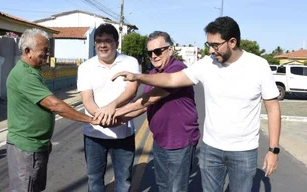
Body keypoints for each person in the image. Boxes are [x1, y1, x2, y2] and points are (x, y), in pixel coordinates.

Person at [112, 16, 281, 192]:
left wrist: (273, 150)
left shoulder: (258, 66)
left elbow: (273, 108)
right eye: (208, 45)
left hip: (243, 151)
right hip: (211, 149)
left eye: (215, 45)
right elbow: (171, 79)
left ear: (232, 42)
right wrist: (138, 76)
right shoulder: (207, 64)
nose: (211, 51)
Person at [6, 28, 99, 192]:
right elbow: (55, 105)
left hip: (36, 145)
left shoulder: (34, 72)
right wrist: (91, 120)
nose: (48, 54)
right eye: (44, 50)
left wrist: (45, 139)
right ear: (28, 51)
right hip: (27, 148)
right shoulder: (24, 75)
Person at [113, 31, 200, 192]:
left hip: (180, 142)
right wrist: (118, 118)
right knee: (163, 186)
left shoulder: (178, 69)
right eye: (150, 52)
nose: (154, 56)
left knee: (177, 188)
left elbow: (151, 98)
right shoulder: (153, 73)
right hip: (160, 140)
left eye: (158, 51)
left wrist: (113, 111)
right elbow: (144, 104)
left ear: (170, 50)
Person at [77, 23, 140, 191]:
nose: (103, 45)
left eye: (107, 41)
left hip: (123, 134)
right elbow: (87, 99)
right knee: (95, 181)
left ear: (116, 43)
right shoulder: (85, 67)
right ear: (94, 44)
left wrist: (111, 107)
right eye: (99, 41)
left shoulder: (130, 62)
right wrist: (103, 117)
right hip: (94, 134)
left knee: (123, 181)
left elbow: (131, 91)